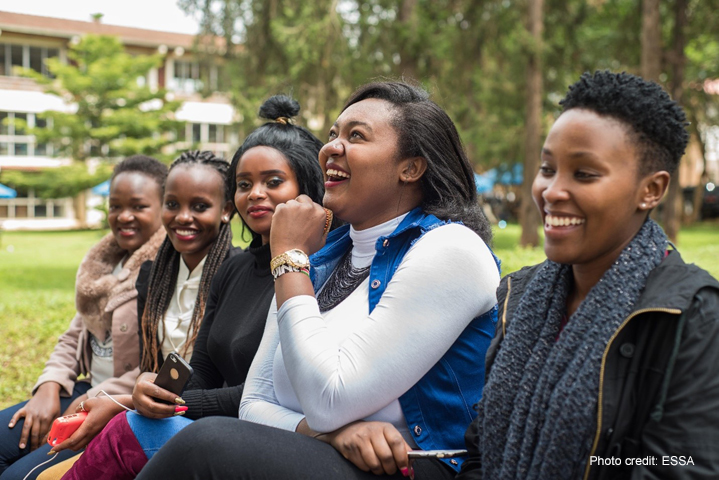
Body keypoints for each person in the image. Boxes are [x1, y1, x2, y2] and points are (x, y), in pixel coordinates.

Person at [135, 81, 501, 480]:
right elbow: (254, 402)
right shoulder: (323, 255)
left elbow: (330, 398)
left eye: (356, 136)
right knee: (150, 430)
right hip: (321, 453)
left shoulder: (450, 249)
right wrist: (331, 435)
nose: (331, 148)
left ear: (410, 167)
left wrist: (289, 258)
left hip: (417, 468)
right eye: (332, 135)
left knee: (206, 445)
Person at [457, 71, 719, 480]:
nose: (552, 191)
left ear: (651, 189)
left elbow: (681, 467)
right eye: (547, 168)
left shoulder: (692, 315)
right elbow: (479, 453)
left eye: (584, 174)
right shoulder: (519, 297)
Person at [55, 95, 327, 480]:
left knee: (131, 429)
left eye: (274, 182)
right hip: (209, 423)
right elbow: (200, 370)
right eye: (244, 183)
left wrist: (157, 405)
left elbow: (262, 391)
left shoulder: (310, 270)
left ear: (309, 186)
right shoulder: (232, 270)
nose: (255, 194)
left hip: (270, 434)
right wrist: (153, 389)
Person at [31, 150, 235, 477]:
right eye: (173, 204)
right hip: (139, 411)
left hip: (182, 424)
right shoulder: (152, 275)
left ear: (226, 210)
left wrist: (120, 401)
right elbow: (145, 363)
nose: (183, 217)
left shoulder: (232, 276)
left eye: (199, 206)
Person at [0, 155, 168, 480]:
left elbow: (155, 366)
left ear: (164, 208)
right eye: (115, 206)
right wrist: (49, 386)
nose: (124, 216)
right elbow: (73, 334)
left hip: (114, 404)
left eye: (138, 206)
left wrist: (86, 403)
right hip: (82, 389)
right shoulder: (104, 265)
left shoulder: (163, 274)